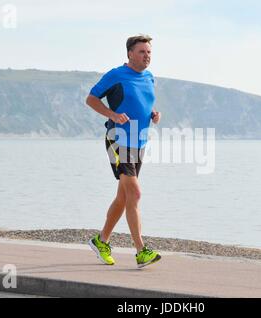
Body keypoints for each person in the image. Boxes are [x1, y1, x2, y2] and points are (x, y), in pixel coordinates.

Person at [85, 34, 162, 268]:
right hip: (118, 139)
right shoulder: (116, 75)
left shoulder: (149, 77)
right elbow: (91, 99)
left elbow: (142, 103)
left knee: (124, 196)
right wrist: (113, 115)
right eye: (142, 52)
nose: (146, 56)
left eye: (149, 52)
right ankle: (141, 251)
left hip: (139, 141)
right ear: (130, 53)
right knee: (135, 194)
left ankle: (101, 241)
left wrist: (154, 114)